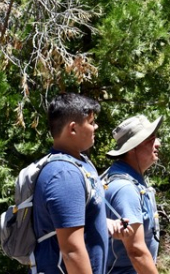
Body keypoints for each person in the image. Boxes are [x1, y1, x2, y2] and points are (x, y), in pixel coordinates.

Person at [33, 93, 127, 274]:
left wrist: (102, 222)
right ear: (73, 129)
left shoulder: (80, 164)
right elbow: (71, 251)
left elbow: (72, 220)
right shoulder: (64, 174)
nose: (96, 127)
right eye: (91, 123)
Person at [104, 115, 163, 274]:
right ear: (132, 148)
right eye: (150, 140)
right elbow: (136, 251)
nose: (158, 144)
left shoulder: (127, 180)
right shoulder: (125, 189)